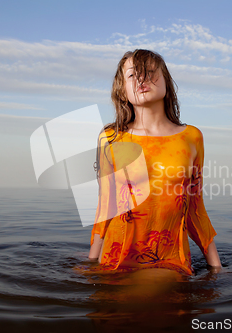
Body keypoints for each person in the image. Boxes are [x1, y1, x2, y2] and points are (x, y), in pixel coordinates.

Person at [87, 49, 221, 276]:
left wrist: (216, 267)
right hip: (115, 259)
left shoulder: (191, 137)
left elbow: (195, 208)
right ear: (122, 90)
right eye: (132, 75)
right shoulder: (110, 137)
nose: (142, 79)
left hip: (169, 261)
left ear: (167, 82)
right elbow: (105, 207)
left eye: (150, 72)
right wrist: (91, 264)